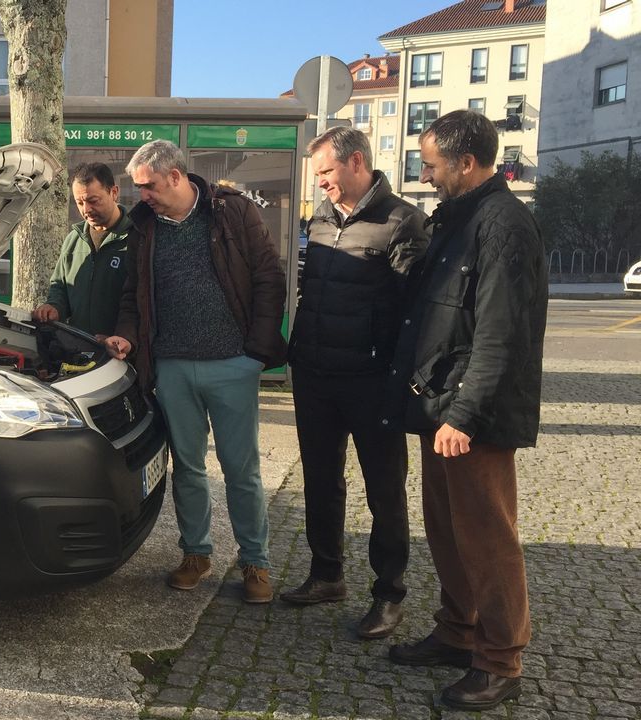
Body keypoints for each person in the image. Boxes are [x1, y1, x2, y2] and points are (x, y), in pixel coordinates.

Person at [386, 110, 547, 712]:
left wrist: (464, 416)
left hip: (469, 418)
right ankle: (459, 633)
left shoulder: (503, 225)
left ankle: (501, 661)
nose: (424, 176)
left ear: (466, 163)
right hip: (439, 408)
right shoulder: (459, 219)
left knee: (487, 537)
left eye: (431, 165)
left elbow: (502, 335)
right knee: (448, 530)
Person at [103, 140, 286, 602]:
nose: (141, 195)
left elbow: (269, 277)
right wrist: (127, 333)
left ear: (177, 176)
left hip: (233, 365)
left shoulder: (233, 213)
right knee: (187, 467)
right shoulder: (144, 227)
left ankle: (255, 563)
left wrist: (256, 354)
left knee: (241, 469)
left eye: (148, 186)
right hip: (172, 367)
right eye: (138, 187)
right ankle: (195, 554)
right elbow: (133, 295)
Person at [280, 127, 428, 640]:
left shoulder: (403, 221)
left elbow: (417, 312)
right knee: (321, 481)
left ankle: (389, 596)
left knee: (384, 490)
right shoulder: (321, 219)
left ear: (356, 163)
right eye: (315, 173)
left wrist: (400, 379)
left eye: (325, 172)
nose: (319, 182)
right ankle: (326, 576)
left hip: (372, 382)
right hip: (316, 375)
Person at [33, 163, 133, 336]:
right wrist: (54, 307)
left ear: (114, 192)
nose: (86, 210)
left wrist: (123, 337)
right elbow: (59, 286)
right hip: (78, 348)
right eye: (79, 202)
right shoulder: (73, 239)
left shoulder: (136, 239)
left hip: (121, 352)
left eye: (93, 201)